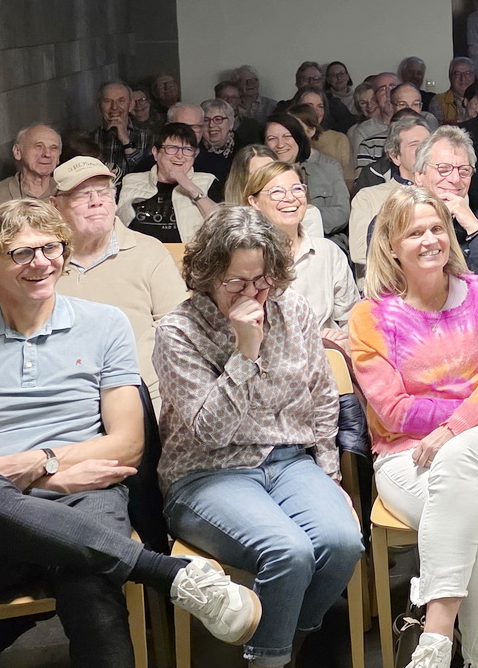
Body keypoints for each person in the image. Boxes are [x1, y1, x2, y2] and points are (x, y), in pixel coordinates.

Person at [0, 200, 262, 667]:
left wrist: (45, 465)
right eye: (22, 253)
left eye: (51, 248)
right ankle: (167, 573)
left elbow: (127, 444)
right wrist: (44, 479)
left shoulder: (104, 324)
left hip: (85, 493)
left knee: (90, 576)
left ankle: (140, 569)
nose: (42, 262)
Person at [153, 204, 357, 668]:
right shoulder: (178, 331)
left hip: (288, 461)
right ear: (207, 275)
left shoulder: (294, 309)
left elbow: (323, 399)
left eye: (262, 280)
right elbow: (210, 431)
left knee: (342, 542)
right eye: (236, 283)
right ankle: (272, 658)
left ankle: (279, 646)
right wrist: (245, 351)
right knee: (289, 551)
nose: (253, 294)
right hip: (206, 473)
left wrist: (331, 478)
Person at [351, 187, 478, 668]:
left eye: (437, 228)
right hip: (404, 457)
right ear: (391, 244)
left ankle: (435, 636)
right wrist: (474, 409)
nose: (431, 240)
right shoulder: (370, 317)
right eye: (415, 232)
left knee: (459, 457)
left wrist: (456, 426)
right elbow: (392, 411)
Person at [50, 158, 190, 387]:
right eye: (82, 195)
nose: (96, 202)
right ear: (55, 206)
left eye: (104, 192)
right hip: (63, 396)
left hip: (140, 390)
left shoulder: (149, 252)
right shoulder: (43, 260)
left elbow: (180, 326)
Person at [243, 161, 358, 333]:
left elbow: (351, 319)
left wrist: (344, 340)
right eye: (277, 192)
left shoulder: (328, 253)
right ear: (254, 202)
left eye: (297, 189)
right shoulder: (243, 259)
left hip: (327, 354)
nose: (290, 198)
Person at [418, 127, 478, 296]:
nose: (455, 179)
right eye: (443, 168)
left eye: (464, 170)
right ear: (419, 175)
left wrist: (474, 229)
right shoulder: (394, 223)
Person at [351, 113, 435, 267]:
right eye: (414, 144)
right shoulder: (368, 197)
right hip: (389, 284)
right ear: (395, 156)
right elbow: (360, 252)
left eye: (428, 144)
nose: (424, 150)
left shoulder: (444, 192)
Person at [117, 123, 219, 245]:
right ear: (155, 153)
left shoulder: (207, 181)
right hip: (140, 256)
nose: (179, 155)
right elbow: (118, 225)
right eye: (172, 148)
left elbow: (221, 224)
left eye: (187, 149)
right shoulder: (132, 181)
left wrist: (189, 186)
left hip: (187, 257)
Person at [265, 113, 350, 243]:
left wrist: (300, 220)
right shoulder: (258, 178)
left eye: (287, 136)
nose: (280, 144)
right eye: (272, 138)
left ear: (299, 139)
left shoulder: (329, 170)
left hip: (327, 243)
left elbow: (342, 213)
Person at [0, 124, 62, 218]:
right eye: (38, 146)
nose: (47, 154)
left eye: (54, 148)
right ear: (17, 152)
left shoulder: (68, 192)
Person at [95, 81, 152, 176]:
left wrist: (126, 142)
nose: (114, 107)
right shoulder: (90, 139)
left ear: (131, 105)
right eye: (107, 101)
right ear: (98, 106)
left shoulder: (149, 137)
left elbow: (148, 175)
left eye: (121, 101)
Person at [295, 90, 356, 178]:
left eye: (320, 106)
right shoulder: (287, 138)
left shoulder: (338, 139)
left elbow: (348, 180)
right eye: (309, 106)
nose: (316, 111)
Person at [349, 72, 401, 176]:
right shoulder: (362, 131)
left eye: (393, 87)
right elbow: (362, 177)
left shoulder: (424, 122)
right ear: (376, 97)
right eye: (382, 89)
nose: (388, 93)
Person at [197, 98, 240, 185]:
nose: (211, 125)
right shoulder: (192, 153)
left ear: (231, 123)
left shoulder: (244, 150)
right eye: (206, 120)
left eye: (218, 119)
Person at [436, 58, 477, 123]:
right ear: (450, 77)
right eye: (457, 74)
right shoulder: (438, 101)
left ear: (474, 76)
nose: (463, 78)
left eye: (467, 73)